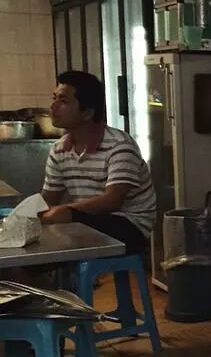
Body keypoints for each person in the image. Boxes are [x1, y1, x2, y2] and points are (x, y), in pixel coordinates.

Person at [39, 71, 156, 254]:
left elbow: (112, 201)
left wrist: (65, 211)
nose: (53, 106)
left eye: (63, 101)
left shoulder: (119, 145)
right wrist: (29, 213)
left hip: (130, 226)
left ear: (87, 113)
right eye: (54, 98)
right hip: (89, 220)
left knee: (63, 220)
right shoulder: (59, 149)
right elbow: (48, 198)